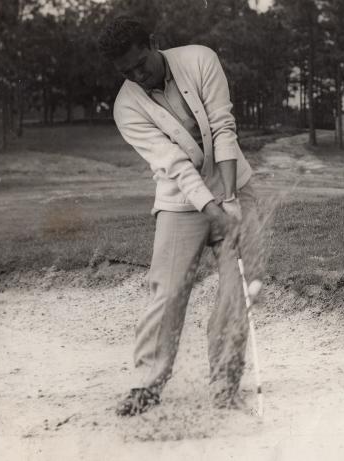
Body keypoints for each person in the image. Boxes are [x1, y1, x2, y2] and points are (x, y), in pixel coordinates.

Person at [97, 16, 262, 416]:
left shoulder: (200, 59)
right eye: (127, 72)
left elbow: (224, 128)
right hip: (180, 201)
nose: (138, 75)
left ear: (153, 42)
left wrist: (229, 197)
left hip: (233, 185)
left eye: (141, 63)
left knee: (235, 292)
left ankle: (225, 385)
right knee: (168, 292)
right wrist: (211, 207)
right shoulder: (126, 107)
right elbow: (174, 164)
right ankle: (146, 385)